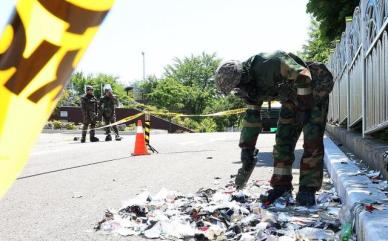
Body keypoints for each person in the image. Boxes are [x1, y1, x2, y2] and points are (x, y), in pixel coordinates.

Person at [214, 51, 317, 205]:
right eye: (235, 88)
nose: (238, 90)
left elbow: (303, 76)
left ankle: (308, 189)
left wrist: (304, 107)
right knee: (283, 140)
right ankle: (281, 187)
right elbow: (251, 119)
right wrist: (247, 149)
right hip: (291, 97)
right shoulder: (247, 89)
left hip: (313, 88)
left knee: (312, 139)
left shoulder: (270, 62)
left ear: (243, 77)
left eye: (237, 86)